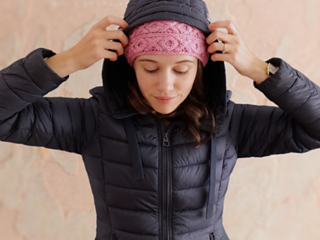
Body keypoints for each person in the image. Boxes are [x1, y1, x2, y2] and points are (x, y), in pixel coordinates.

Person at [1, 0, 320, 239]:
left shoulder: (229, 122)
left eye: (181, 69)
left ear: (200, 67)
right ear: (130, 65)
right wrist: (68, 60)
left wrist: (258, 69)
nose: (165, 84)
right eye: (150, 68)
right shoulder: (94, 120)